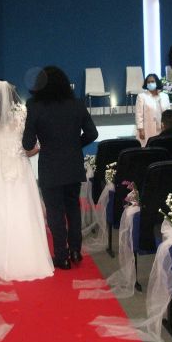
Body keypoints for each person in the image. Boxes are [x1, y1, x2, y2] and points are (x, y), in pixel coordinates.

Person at [0, 80, 54, 281]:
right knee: (23, 212)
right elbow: (32, 147)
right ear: (13, 96)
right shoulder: (22, 115)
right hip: (19, 168)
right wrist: (25, 151)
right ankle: (28, 258)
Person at [23, 66, 98, 270]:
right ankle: (75, 251)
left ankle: (62, 256)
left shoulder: (34, 105)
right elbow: (93, 133)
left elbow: (28, 143)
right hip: (73, 164)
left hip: (50, 166)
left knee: (55, 212)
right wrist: (75, 145)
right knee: (73, 207)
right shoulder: (77, 103)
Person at [135, 73, 170, 147]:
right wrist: (141, 129)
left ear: (157, 82)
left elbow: (168, 113)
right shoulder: (141, 96)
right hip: (147, 128)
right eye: (148, 82)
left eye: (152, 81)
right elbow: (139, 114)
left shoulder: (164, 96)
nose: (150, 83)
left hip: (162, 129)